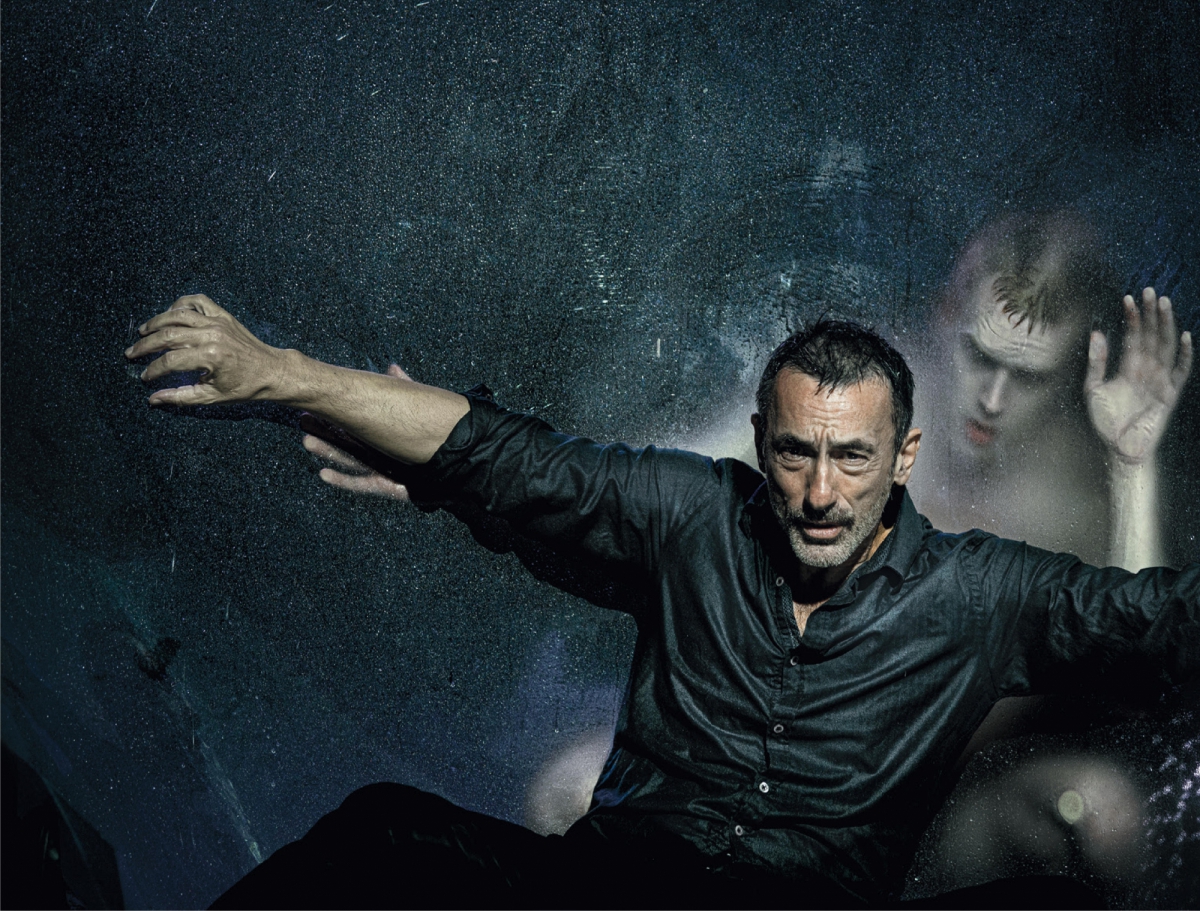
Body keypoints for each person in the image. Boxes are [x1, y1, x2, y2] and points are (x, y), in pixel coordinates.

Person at [125, 296, 1196, 907]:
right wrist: (279, 370)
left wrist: (1132, 464)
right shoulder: (695, 512)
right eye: (796, 453)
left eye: (853, 458)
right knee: (383, 834)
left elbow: (1161, 633)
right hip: (615, 888)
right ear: (762, 444)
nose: (821, 493)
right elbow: (511, 458)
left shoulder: (980, 592)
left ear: (904, 455)